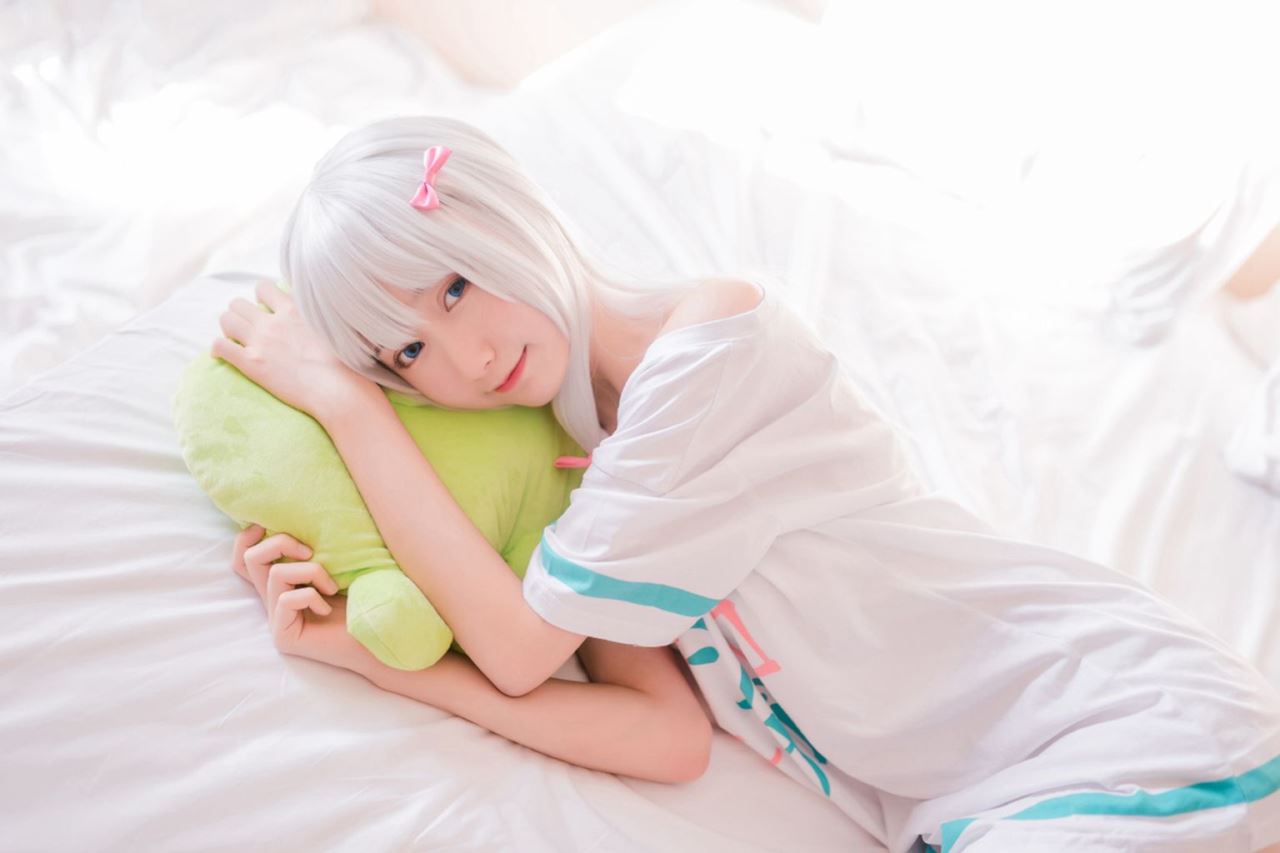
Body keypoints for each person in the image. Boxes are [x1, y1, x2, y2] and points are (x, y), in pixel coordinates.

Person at [214, 115, 1280, 852]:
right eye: (406, 354)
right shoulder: (581, 478)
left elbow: (519, 646)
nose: (464, 357)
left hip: (1121, 721)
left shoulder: (708, 348)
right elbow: (665, 734)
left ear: (506, 215)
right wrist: (363, 655)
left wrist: (350, 411)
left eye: (454, 286)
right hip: (986, 795)